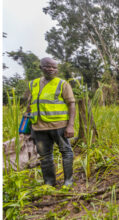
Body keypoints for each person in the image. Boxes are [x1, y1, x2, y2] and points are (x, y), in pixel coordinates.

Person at [26, 57, 76, 186]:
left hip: (59, 126)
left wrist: (70, 126)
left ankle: (68, 182)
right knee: (45, 156)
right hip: (39, 128)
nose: (51, 69)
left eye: (54, 67)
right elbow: (30, 104)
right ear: (41, 67)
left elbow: (71, 104)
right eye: (48, 66)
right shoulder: (33, 84)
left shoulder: (62, 84)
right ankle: (49, 183)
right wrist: (28, 122)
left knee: (66, 152)